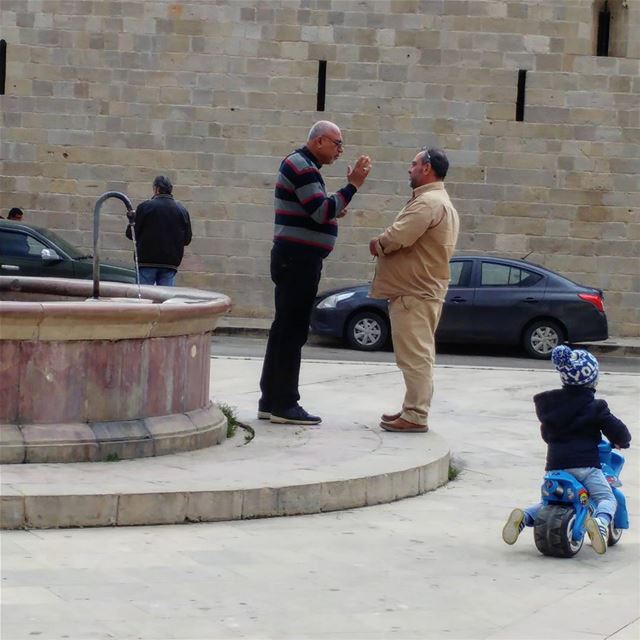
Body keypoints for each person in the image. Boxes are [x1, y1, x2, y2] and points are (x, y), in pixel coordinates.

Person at [258, 120, 372, 425]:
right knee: (293, 331)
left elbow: (317, 208)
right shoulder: (302, 167)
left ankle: (270, 400)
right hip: (298, 260)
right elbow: (321, 211)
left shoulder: (304, 167)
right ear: (319, 141)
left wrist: (335, 206)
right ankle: (284, 403)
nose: (340, 151)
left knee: (284, 329)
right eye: (337, 144)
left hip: (295, 258)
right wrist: (354, 185)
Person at [502, 345, 632, 554]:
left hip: (555, 467)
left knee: (547, 502)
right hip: (586, 467)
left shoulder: (551, 407)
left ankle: (525, 516)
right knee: (607, 498)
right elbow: (617, 429)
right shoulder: (596, 407)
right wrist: (622, 441)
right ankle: (600, 523)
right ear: (592, 380)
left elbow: (546, 435)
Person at [369, 147, 459, 433]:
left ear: (427, 168)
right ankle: (412, 409)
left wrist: (379, 243)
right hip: (422, 290)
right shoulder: (439, 201)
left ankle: (416, 415)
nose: (409, 169)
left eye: (414, 164)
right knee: (418, 354)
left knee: (415, 357)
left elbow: (400, 235)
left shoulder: (428, 203)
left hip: (414, 292)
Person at [125, 175, 192, 286]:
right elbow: (187, 240)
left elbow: (131, 234)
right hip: (170, 264)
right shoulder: (182, 210)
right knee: (165, 299)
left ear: (156, 189)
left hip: (146, 262)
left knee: (144, 299)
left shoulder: (145, 207)